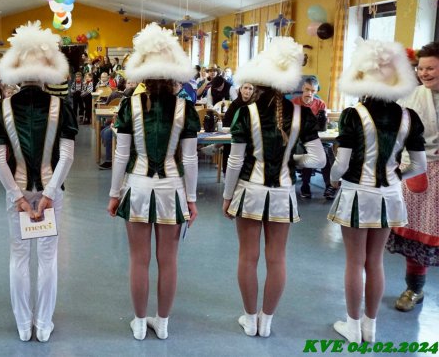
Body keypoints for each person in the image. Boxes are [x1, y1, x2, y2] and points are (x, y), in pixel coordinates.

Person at [222, 37, 326, 338]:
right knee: (277, 258)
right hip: (283, 192)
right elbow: (319, 159)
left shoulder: (246, 112)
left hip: (250, 190)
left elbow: (234, 161)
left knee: (248, 257)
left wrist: (227, 197)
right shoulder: (302, 113)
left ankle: (249, 318)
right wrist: (291, 160)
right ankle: (266, 322)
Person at [327, 38, 426, 342]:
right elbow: (419, 165)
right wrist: (396, 174)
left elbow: (342, 164)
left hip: (357, 193)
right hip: (390, 194)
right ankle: (370, 327)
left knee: (354, 262)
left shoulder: (352, 114)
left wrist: (333, 179)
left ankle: (352, 326)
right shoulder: (409, 116)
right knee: (375, 261)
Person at [106, 23, 200, 340]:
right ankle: (163, 323)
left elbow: (121, 155)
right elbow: (190, 159)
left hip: (137, 187)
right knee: (168, 261)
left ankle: (138, 322)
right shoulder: (186, 108)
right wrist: (191, 199)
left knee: (138, 260)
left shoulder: (128, 105)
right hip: (173, 189)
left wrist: (114, 194)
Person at [0, 21, 77, 342]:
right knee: (48, 257)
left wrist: (18, 197)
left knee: (19, 256)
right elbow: (67, 156)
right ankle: (44, 323)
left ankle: (24, 325)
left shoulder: (1, 108)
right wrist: (49, 193)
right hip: (52, 190)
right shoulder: (61, 107)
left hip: (18, 191)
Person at [387, 41, 439, 313]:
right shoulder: (410, 98)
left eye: (431, 68)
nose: (424, 73)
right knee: (417, 236)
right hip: (419, 171)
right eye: (421, 68)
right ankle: (414, 289)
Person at [293, 76, 337, 199]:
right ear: (303, 88)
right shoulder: (294, 103)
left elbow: (322, 127)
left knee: (326, 151)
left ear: (316, 91)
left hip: (316, 138)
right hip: (299, 139)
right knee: (309, 152)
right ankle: (305, 185)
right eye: (307, 89)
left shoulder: (320, 104)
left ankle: (329, 186)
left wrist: (324, 121)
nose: (309, 93)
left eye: (313, 91)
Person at [222, 83, 255, 174]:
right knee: (228, 145)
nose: (247, 91)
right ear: (240, 89)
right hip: (235, 135)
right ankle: (227, 172)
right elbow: (226, 121)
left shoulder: (255, 105)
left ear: (253, 91)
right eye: (245, 88)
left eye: (250, 89)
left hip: (250, 137)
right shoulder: (234, 104)